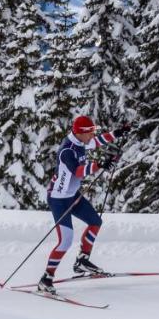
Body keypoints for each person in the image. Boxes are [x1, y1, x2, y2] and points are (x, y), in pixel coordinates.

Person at [37, 115, 125, 295]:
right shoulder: (66, 150)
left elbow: (99, 141)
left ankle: (82, 260)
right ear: (80, 133)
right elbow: (77, 171)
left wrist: (118, 133)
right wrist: (99, 164)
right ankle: (46, 278)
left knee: (95, 222)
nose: (93, 135)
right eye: (90, 132)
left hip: (72, 196)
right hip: (58, 199)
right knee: (65, 241)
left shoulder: (82, 141)